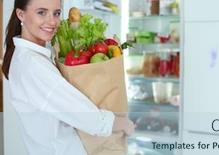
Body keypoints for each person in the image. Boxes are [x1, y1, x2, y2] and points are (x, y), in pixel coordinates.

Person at [2, 0, 135, 155]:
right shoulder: (32, 65)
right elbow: (79, 111)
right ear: (21, 14)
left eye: (56, 13)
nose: (52, 21)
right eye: (41, 12)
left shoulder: (30, 56)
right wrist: (121, 123)